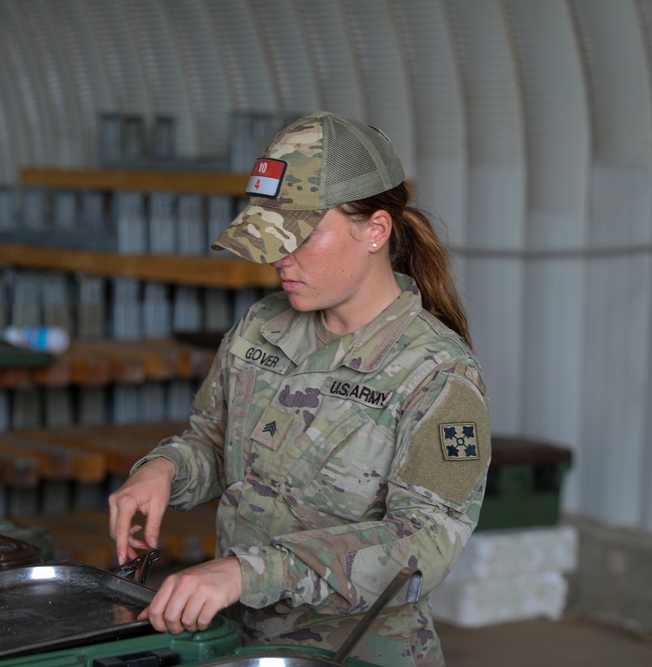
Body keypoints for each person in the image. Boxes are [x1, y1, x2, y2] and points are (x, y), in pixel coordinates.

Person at [108, 111, 491, 667]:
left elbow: (424, 544)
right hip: (241, 640)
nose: (279, 259)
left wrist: (249, 571)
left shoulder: (435, 374)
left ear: (375, 231)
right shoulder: (263, 327)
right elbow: (214, 442)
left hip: (356, 652)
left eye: (300, 237)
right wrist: (163, 470)